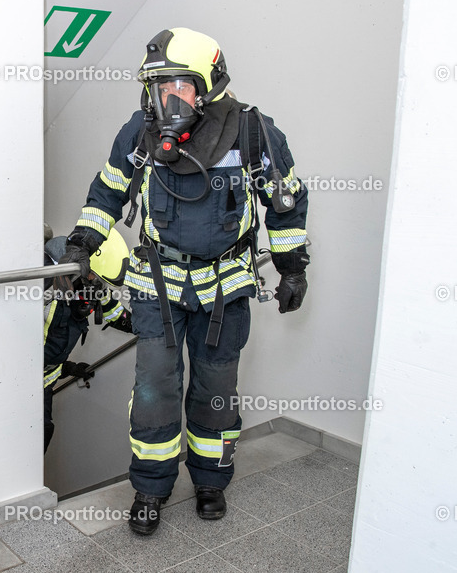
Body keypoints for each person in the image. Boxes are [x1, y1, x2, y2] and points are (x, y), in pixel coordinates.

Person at [59, 27, 310, 534]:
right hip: (158, 283)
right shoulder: (140, 131)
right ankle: (150, 489)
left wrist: (292, 267)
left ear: (209, 85)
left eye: (180, 86)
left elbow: (285, 201)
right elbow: (109, 189)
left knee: (216, 388)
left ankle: (211, 481)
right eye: (158, 87)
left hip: (226, 285)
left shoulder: (252, 132)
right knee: (154, 390)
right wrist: (83, 240)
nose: (167, 99)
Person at [43, 229, 133, 452]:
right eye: (95, 278)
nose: (96, 285)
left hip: (45, 383)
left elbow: (115, 315)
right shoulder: (41, 281)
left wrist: (153, 325)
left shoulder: (90, 284)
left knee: (42, 436)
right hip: (16, 385)